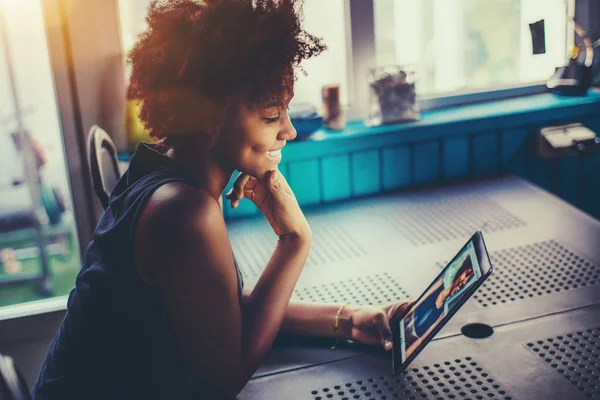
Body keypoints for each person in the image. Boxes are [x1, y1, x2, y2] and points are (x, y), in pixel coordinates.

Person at [31, 1, 412, 399]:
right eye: (270, 115)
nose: (290, 130)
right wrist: (294, 241)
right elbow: (223, 380)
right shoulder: (183, 212)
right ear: (211, 117)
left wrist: (349, 319)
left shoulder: (157, 165)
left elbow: (219, 311)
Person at [399, 255, 475, 359]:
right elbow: (415, 305)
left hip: (408, 343)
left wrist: (402, 359)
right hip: (400, 327)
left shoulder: (446, 310)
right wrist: (397, 323)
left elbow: (421, 340)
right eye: (467, 274)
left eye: (469, 279)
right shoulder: (441, 283)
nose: (465, 281)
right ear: (462, 270)